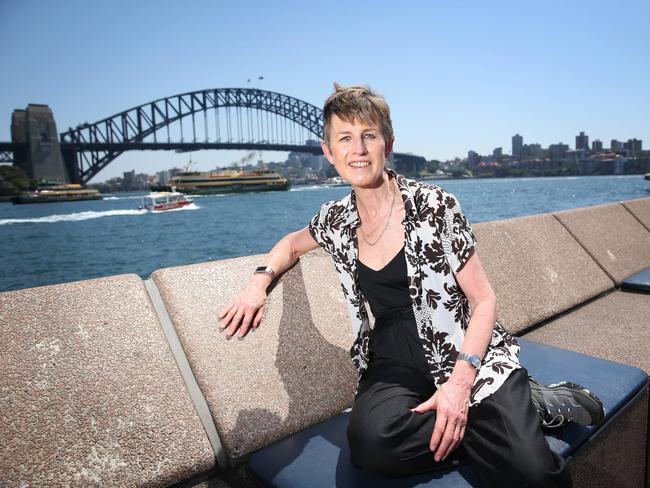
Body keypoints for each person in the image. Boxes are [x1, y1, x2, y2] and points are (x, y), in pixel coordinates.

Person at [218, 84, 604, 487]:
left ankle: (534, 404)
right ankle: (509, 420)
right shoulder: (335, 219)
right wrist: (258, 284)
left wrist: (459, 385)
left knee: (534, 475)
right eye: (345, 139)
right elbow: (291, 245)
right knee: (372, 446)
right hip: (392, 362)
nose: (359, 149)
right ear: (329, 152)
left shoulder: (435, 204)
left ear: (388, 143)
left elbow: (484, 299)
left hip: (462, 351)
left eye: (369, 136)